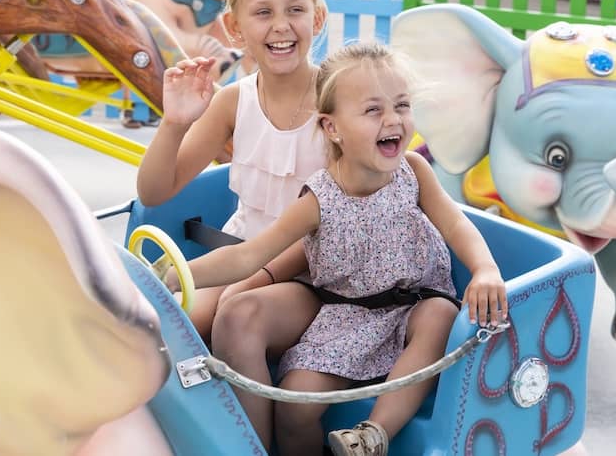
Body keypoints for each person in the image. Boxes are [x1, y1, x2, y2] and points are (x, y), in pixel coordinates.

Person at [164, 41, 508, 456]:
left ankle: (373, 434)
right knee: (296, 402)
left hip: (416, 302)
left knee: (441, 316)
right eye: (373, 110)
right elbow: (249, 255)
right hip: (347, 316)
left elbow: (455, 223)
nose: (393, 120)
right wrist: (179, 273)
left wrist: (485, 268)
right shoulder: (319, 199)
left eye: (401, 106)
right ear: (332, 128)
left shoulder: (412, 171)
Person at [136, 0, 330, 449]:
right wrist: (174, 124)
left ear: (319, 17)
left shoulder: (338, 100)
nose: (281, 26)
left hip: (316, 273)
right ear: (235, 28)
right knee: (148, 326)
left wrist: (248, 274)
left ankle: (250, 447)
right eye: (263, 13)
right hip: (240, 257)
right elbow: (155, 191)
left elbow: (337, 219)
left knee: (221, 316)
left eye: (295, 10)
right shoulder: (233, 100)